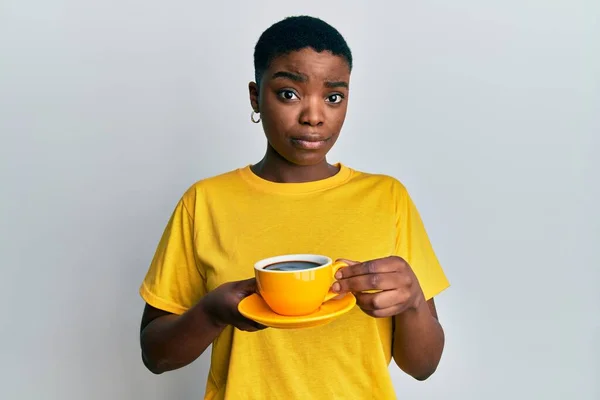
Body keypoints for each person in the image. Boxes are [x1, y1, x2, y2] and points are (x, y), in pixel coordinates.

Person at [138, 15, 450, 400]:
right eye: (289, 94)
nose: (314, 116)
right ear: (256, 96)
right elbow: (155, 355)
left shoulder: (387, 198)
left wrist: (413, 300)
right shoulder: (204, 202)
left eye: (333, 97)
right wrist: (212, 313)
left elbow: (423, 366)